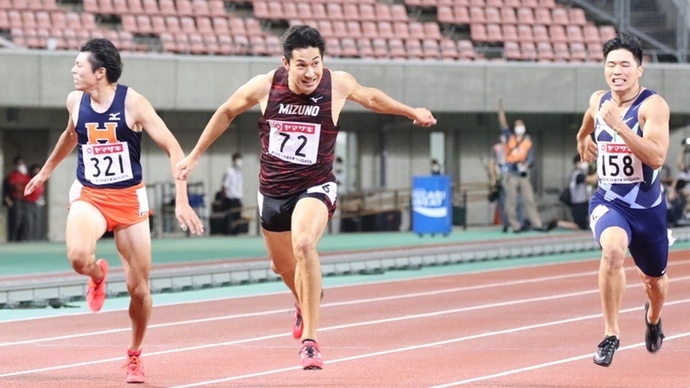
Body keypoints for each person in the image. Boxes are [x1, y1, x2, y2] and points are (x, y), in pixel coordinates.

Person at [175, 25, 437, 370]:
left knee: (304, 245)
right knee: (282, 266)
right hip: (273, 190)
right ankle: (303, 298)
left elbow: (370, 97)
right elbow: (226, 111)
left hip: (316, 185)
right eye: (301, 65)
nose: (311, 72)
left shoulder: (336, 83)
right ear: (285, 63)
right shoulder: (266, 86)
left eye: (316, 62)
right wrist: (194, 155)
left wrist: (409, 110)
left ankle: (311, 341)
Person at [23, 38, 204, 383]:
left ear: (100, 72)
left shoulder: (133, 103)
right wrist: (46, 171)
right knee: (77, 256)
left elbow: (173, 147)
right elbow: (70, 135)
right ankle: (97, 274)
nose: (73, 70)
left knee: (139, 290)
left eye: (79, 64)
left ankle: (134, 355)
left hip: (129, 199)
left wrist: (182, 198)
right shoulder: (75, 101)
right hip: (90, 195)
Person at [576, 33, 670, 367]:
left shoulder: (652, 106)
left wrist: (621, 128)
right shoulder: (599, 99)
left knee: (655, 283)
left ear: (639, 70)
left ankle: (653, 319)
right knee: (613, 250)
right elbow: (590, 117)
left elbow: (657, 157)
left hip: (647, 210)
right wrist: (582, 135)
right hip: (609, 201)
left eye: (625, 65)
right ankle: (610, 334)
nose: (617, 70)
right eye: (611, 64)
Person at [498, 100, 553, 233]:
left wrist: (526, 165)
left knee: (529, 199)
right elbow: (503, 125)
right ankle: (514, 224)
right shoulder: (509, 138)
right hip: (511, 173)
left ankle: (537, 223)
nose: (520, 127)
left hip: (523, 174)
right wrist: (501, 111)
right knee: (511, 201)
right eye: (518, 125)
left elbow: (531, 158)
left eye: (522, 125)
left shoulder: (528, 142)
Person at [554, 153, 597, 231]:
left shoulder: (577, 173)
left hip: (580, 203)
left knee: (581, 224)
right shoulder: (577, 175)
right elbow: (591, 179)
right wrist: (601, 170)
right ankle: (558, 223)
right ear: (577, 163)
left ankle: (558, 223)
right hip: (578, 203)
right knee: (579, 226)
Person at [4, 155, 30, 241]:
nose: (21, 165)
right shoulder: (11, 176)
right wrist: (7, 199)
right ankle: (12, 239)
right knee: (15, 221)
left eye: (22, 163)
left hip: (26, 201)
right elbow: (7, 188)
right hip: (15, 201)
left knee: (25, 222)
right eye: (19, 164)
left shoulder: (26, 176)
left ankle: (22, 239)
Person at [222, 152, 244, 234]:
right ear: (234, 160)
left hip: (238, 197)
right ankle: (228, 232)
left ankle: (236, 232)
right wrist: (224, 199)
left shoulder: (239, 173)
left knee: (237, 217)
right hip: (230, 198)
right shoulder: (230, 172)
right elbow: (225, 186)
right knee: (230, 218)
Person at [23, 164, 46, 240]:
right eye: (35, 171)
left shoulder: (40, 181)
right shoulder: (27, 179)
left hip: (37, 203)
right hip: (28, 203)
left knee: (37, 221)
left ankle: (37, 238)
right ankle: (28, 238)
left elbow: (41, 191)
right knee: (29, 222)